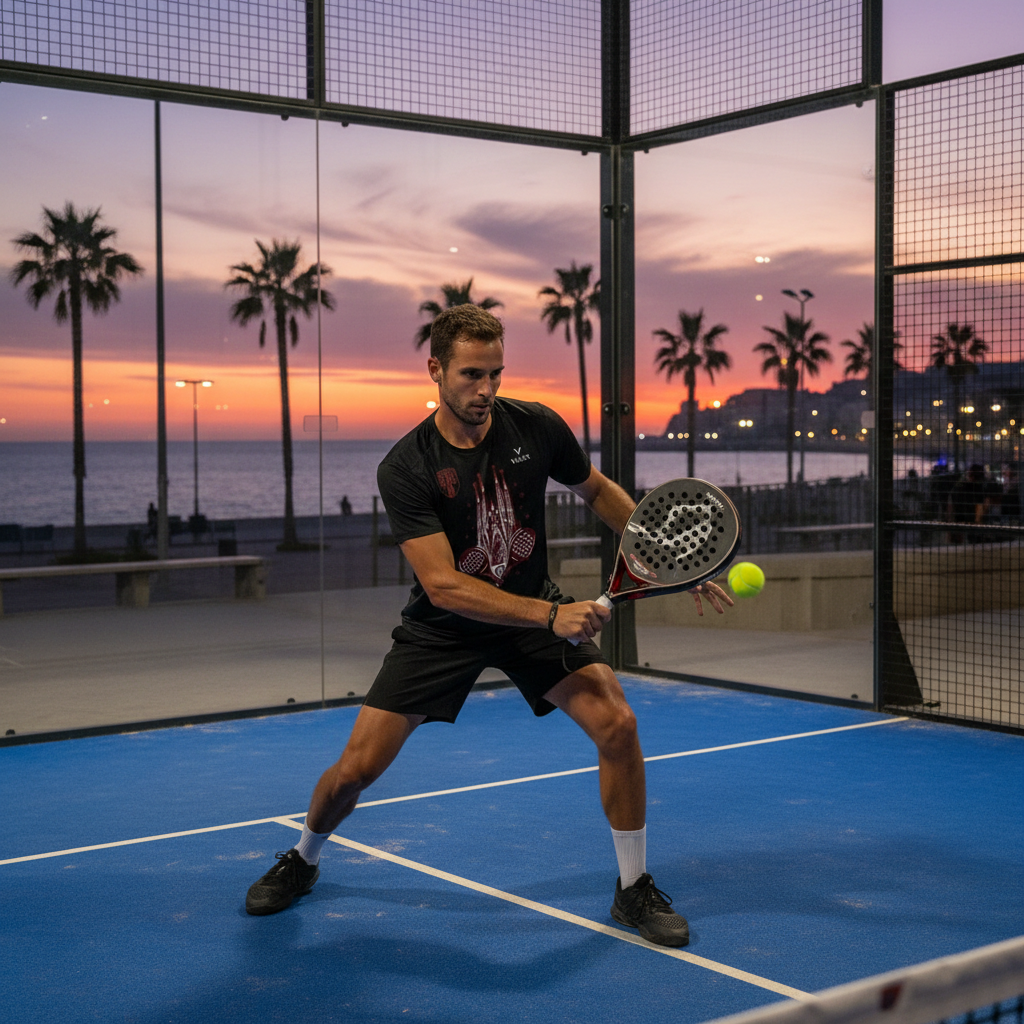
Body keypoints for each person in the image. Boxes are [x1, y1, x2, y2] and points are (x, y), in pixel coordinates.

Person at [244, 305, 733, 946]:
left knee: (617, 721)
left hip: (531, 612)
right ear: (436, 369)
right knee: (355, 772)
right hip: (445, 628)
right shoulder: (406, 466)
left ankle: (632, 887)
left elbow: (598, 490)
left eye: (496, 374)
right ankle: (303, 858)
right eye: (472, 375)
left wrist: (668, 556)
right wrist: (551, 616)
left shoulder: (535, 426)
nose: (486, 390)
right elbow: (443, 586)